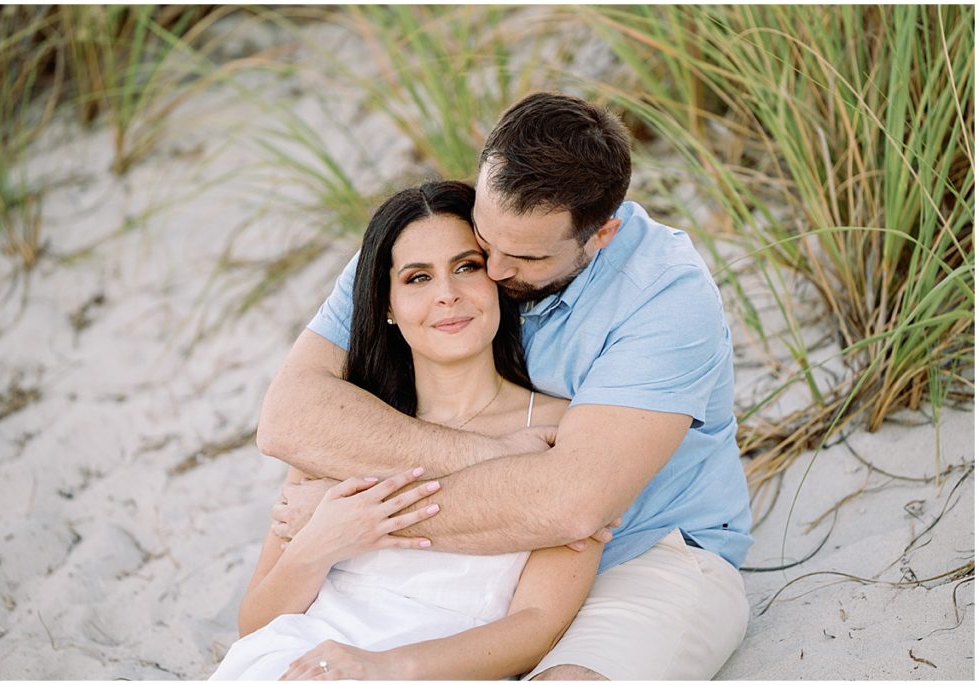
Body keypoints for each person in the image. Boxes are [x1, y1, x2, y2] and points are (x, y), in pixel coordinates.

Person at [260, 92, 753, 680]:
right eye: (484, 244)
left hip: (642, 553)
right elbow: (288, 416)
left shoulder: (666, 297)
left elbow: (570, 506)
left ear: (601, 236)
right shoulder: (446, 236)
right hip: (480, 566)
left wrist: (363, 518)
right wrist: (487, 456)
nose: (490, 273)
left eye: (522, 258)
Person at [211, 181, 603, 680]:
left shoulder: (560, 429)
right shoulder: (347, 428)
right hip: (295, 660)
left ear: (498, 281)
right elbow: (256, 625)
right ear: (388, 306)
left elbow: (537, 627)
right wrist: (322, 543)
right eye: (418, 278)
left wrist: (381, 668)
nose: (447, 295)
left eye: (467, 267)